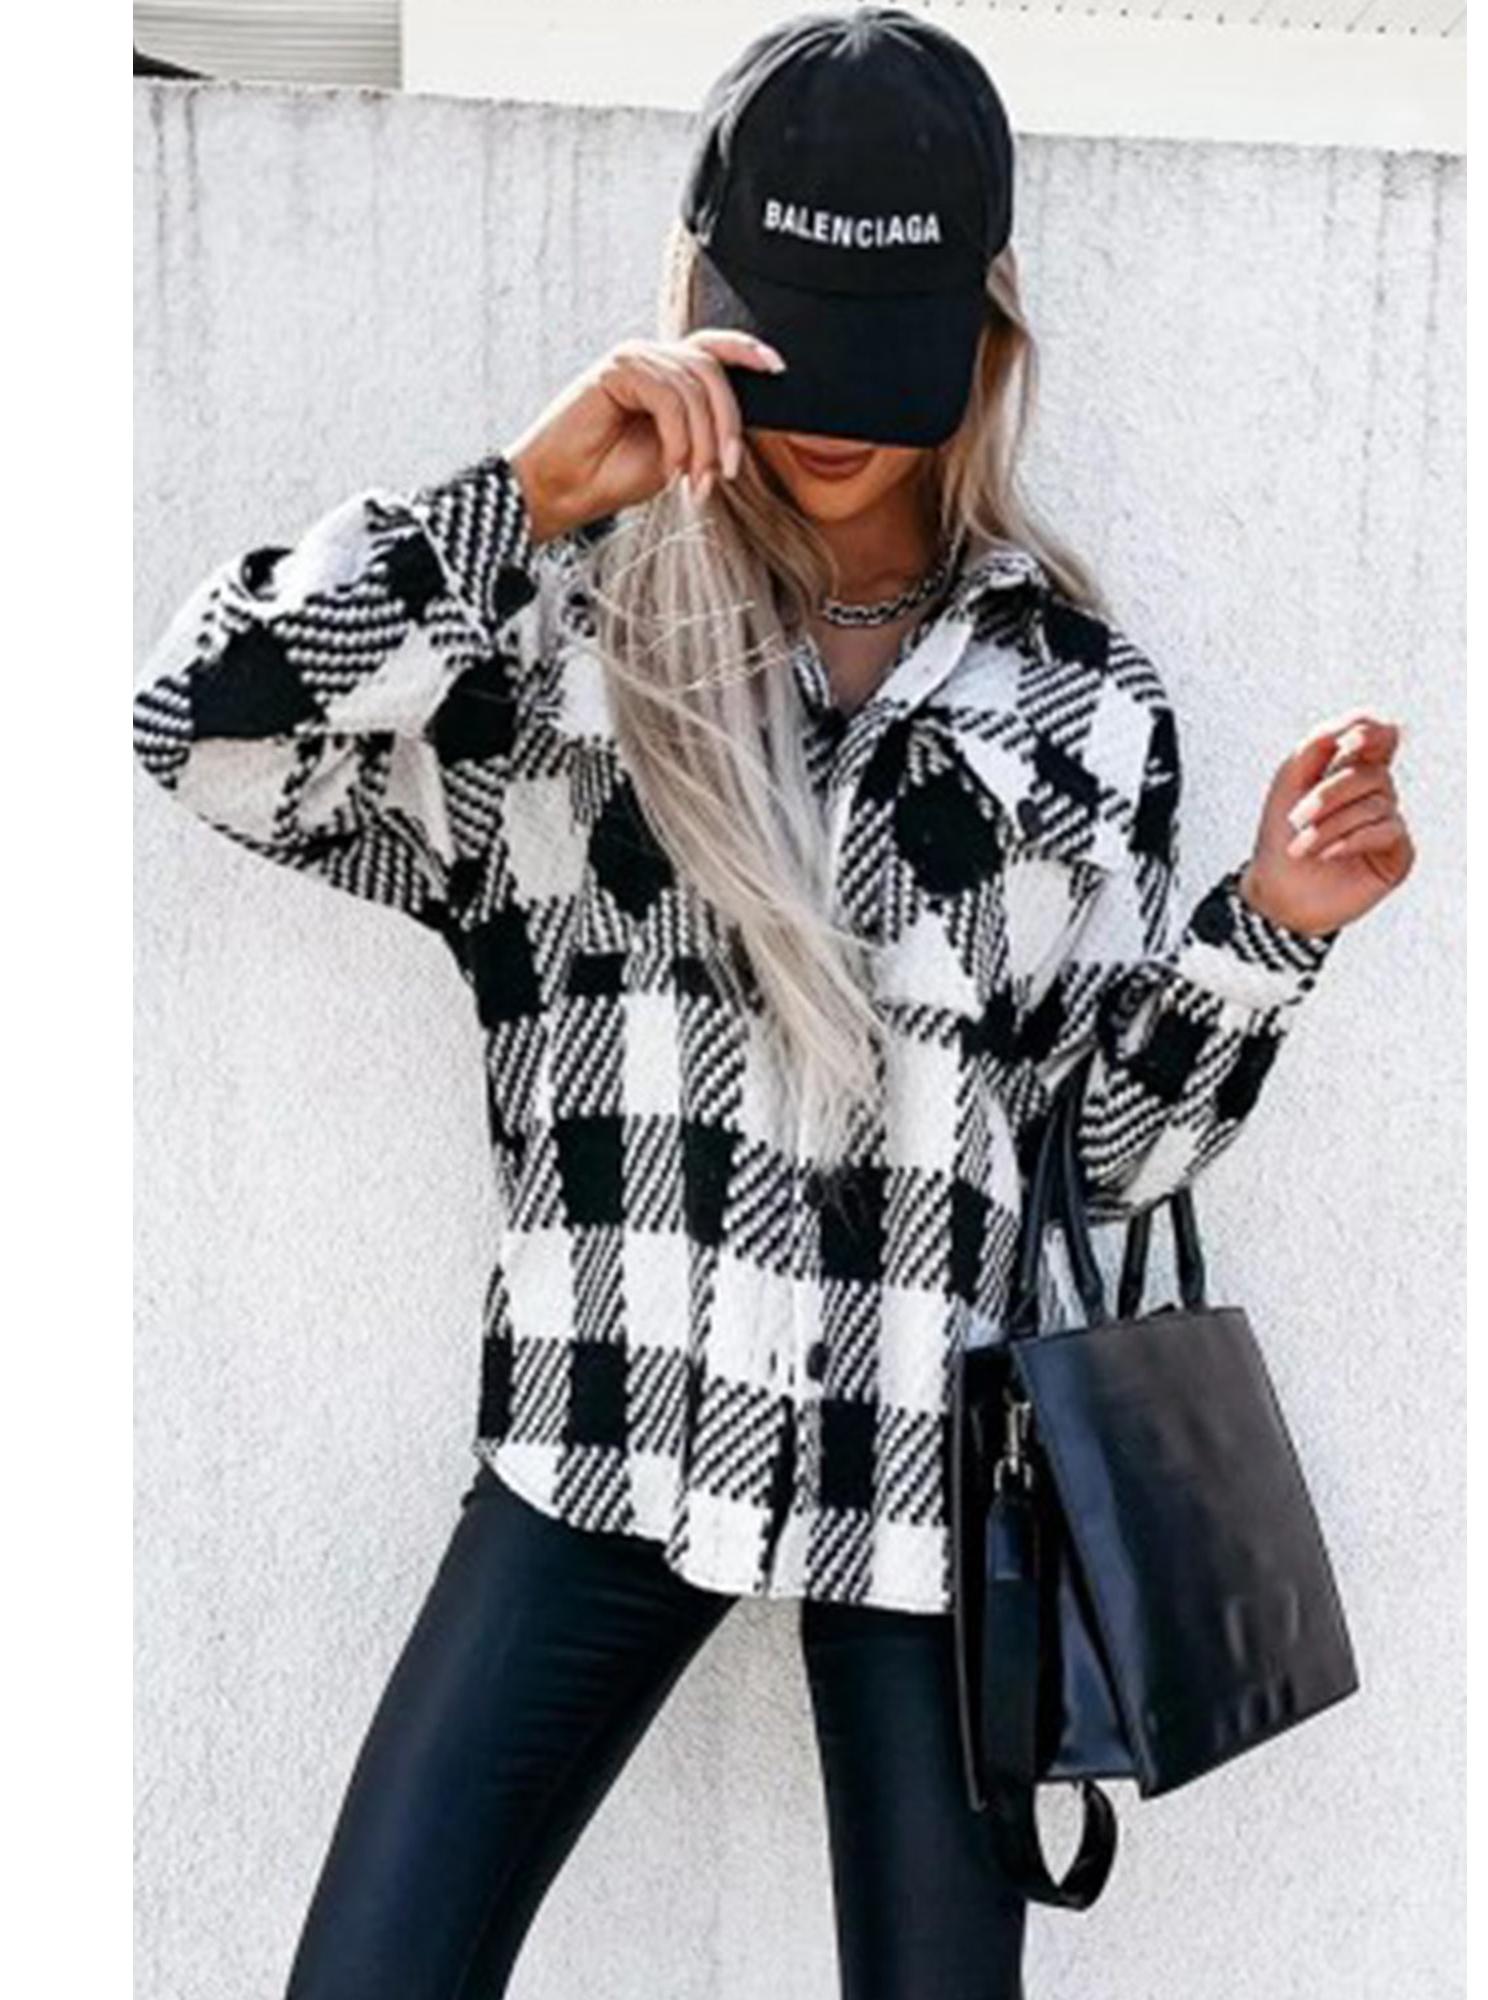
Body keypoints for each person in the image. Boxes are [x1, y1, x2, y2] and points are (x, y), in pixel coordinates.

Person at [130, 8, 1413, 1997]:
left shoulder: (1079, 699)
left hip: (930, 1479)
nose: (833, 417)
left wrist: (1267, 929)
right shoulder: (559, 647)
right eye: (791, 340)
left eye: (882, 351)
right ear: (703, 307)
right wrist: (523, 494)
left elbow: (1087, 1155)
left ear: (980, 337)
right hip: (603, 1436)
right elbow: (203, 732)